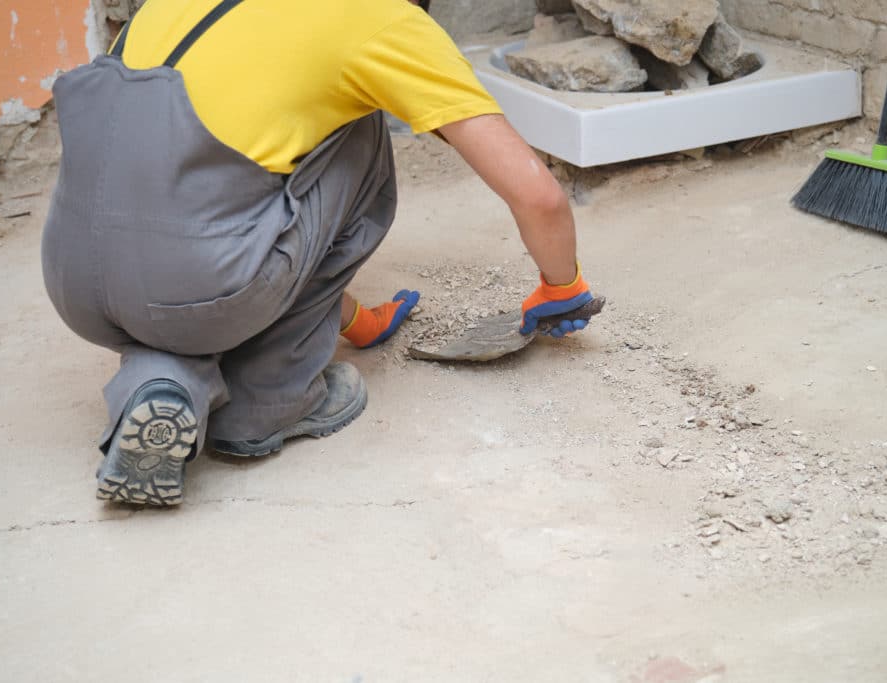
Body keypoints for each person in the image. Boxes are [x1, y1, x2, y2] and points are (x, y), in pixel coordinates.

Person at [41, 0, 595, 506]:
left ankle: (162, 383)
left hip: (74, 279)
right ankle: (269, 399)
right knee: (360, 125)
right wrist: (561, 284)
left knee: (177, 282)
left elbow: (174, 200)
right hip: (200, 283)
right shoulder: (375, 19)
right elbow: (538, 196)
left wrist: (351, 317)